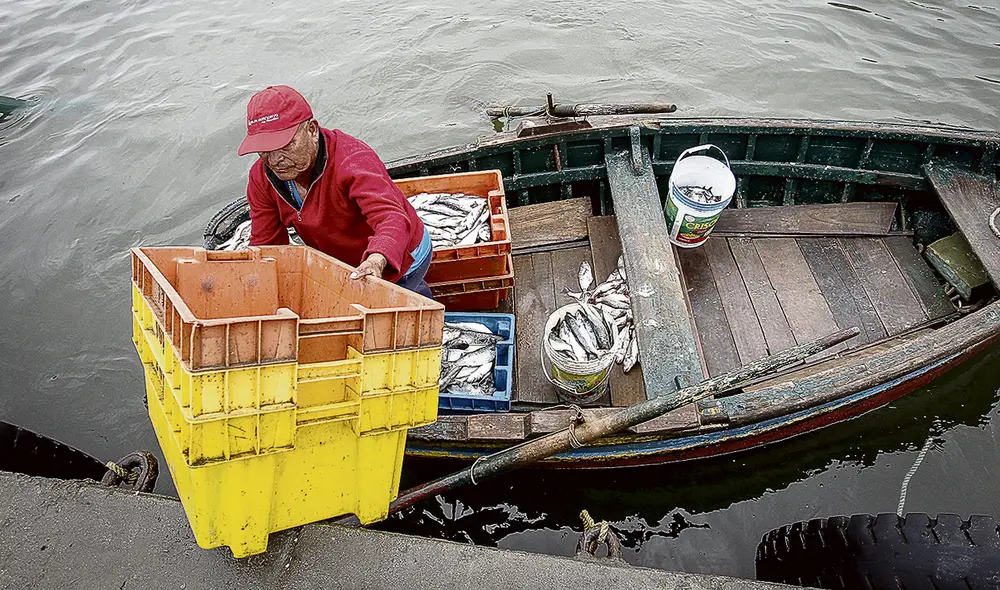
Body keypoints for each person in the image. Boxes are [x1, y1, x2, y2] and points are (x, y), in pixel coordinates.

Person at [237, 85, 433, 297]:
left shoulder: (352, 161)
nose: (275, 160)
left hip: (401, 252)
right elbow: (267, 245)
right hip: (342, 256)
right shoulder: (261, 176)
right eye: (264, 150)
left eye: (285, 145)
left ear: (312, 130)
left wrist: (376, 260)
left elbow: (391, 218)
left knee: (403, 298)